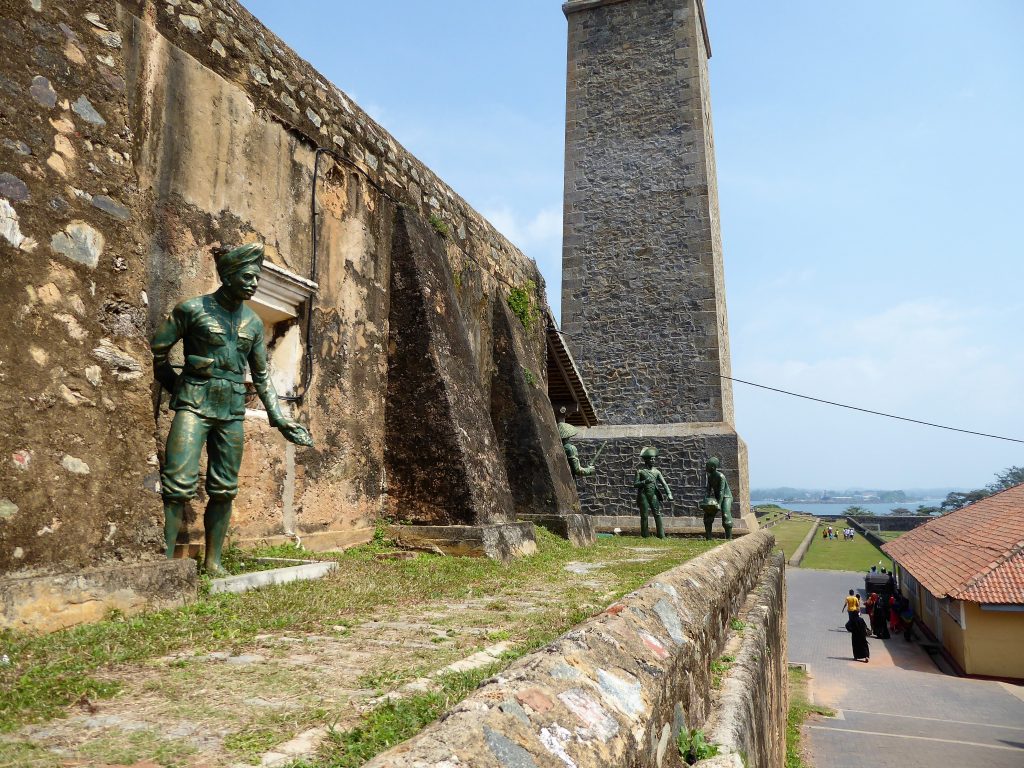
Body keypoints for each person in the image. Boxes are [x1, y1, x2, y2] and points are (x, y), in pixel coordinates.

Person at [151, 243, 313, 576]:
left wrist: (280, 418)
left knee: (224, 488)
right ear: (228, 276)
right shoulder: (192, 310)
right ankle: (165, 564)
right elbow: (158, 354)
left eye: (256, 278)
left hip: (231, 411)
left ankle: (213, 561)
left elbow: (263, 377)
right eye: (248, 276)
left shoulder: (253, 323)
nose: (254, 284)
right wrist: (179, 385)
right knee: (178, 485)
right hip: (193, 405)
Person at [634, 446, 673, 539]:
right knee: (644, 515)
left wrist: (669, 494)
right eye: (651, 459)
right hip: (643, 495)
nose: (653, 460)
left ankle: (661, 534)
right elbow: (635, 484)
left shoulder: (657, 472)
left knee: (657, 514)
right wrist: (644, 482)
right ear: (646, 460)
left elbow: (664, 483)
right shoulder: (640, 471)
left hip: (653, 495)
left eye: (654, 459)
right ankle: (645, 535)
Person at [701, 457, 733, 540]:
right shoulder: (710, 477)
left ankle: (729, 538)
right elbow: (708, 490)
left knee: (725, 514)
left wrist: (719, 504)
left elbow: (721, 491)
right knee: (708, 515)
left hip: (726, 497)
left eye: (707, 466)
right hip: (718, 497)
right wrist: (705, 501)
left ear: (712, 467)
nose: (705, 468)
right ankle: (708, 537)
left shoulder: (721, 476)